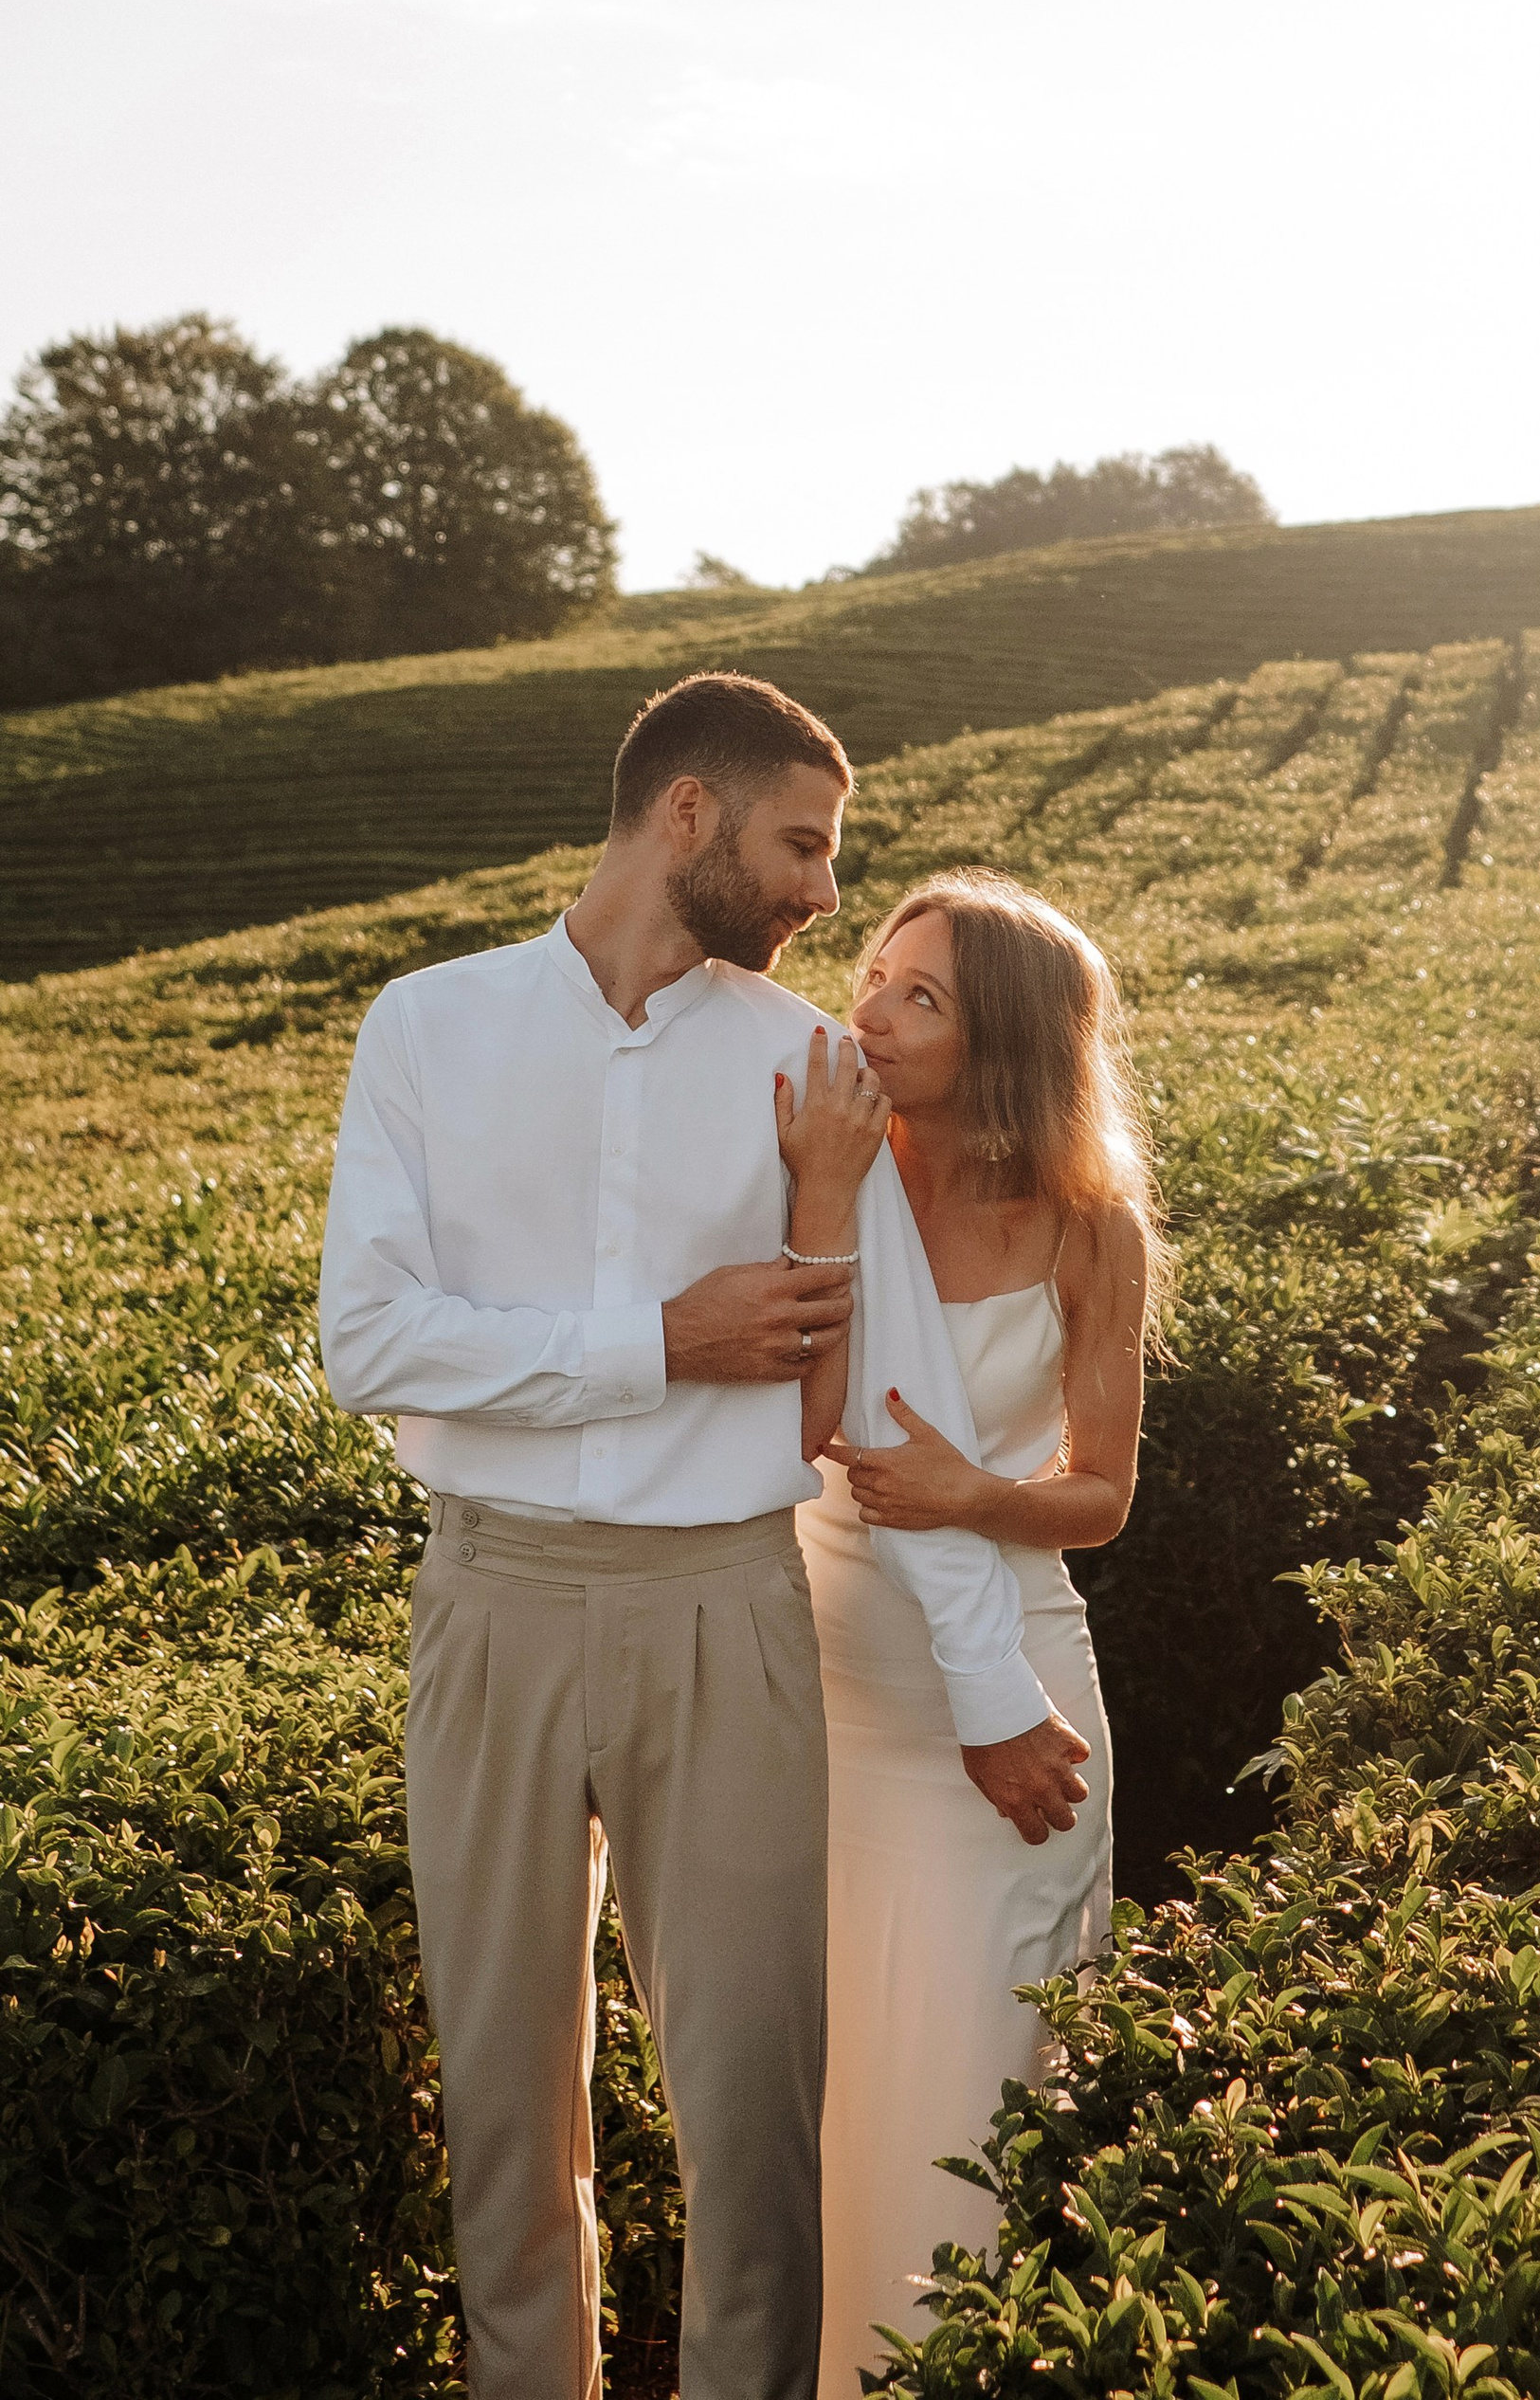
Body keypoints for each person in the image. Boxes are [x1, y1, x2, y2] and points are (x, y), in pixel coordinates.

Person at [317, 672, 1088, 2400]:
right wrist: (658, 1341)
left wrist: (985, 1684)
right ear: (687, 816)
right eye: (804, 845)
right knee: (509, 2108)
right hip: (492, 1601)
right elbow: (368, 1341)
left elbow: (899, 1406)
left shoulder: (811, 1067)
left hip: (730, 1609)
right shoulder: (425, 1029)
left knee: (752, 2117)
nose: (825, 893)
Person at [790, 867, 1164, 2394]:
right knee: (822, 2102)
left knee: (961, 2116)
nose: (868, 1007)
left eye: (917, 994)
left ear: (1001, 1039)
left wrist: (967, 1492)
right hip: (819, 1686)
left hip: (1009, 1692)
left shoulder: (1092, 1227)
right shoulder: (817, 1156)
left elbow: (1104, 1500)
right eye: (876, 972)